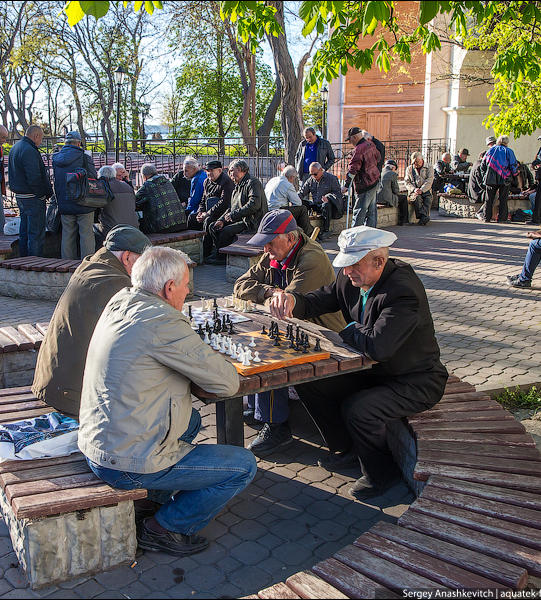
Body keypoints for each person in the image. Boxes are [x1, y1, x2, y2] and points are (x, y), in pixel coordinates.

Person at [79, 246, 257, 556]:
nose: (189, 291)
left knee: (191, 421)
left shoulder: (122, 300)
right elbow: (227, 383)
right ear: (168, 288)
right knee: (243, 466)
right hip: (122, 461)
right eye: (187, 284)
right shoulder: (162, 322)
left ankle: (149, 501)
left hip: (101, 441)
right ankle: (165, 528)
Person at [269, 226, 448, 500]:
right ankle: (346, 449)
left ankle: (381, 474)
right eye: (345, 264)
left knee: (359, 408)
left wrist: (349, 327)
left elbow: (379, 346)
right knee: (310, 381)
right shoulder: (350, 278)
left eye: (354, 264)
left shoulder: (403, 291)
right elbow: (321, 299)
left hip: (414, 380)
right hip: (373, 371)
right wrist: (293, 299)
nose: (348, 271)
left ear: (379, 261)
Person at [233, 210, 345, 455]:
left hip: (326, 336)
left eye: (270, 242)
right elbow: (240, 286)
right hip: (299, 328)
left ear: (291, 239)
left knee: (270, 353)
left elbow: (285, 309)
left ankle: (277, 426)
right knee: (254, 340)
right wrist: (270, 292)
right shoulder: (276, 252)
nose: (265, 250)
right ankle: (257, 407)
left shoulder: (311, 259)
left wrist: (270, 295)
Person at [32, 225, 151, 415]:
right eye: (143, 262)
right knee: (180, 418)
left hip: (54, 381)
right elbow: (140, 338)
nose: (145, 270)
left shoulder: (92, 264)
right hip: (72, 394)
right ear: (127, 257)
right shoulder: (115, 283)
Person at [203, 159, 265, 264]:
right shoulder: (238, 185)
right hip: (241, 218)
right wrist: (222, 220)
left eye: (232, 171)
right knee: (213, 226)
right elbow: (231, 206)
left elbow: (254, 204)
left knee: (226, 231)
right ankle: (220, 253)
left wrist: (233, 215)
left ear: (240, 169)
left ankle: (221, 257)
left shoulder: (252, 182)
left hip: (251, 222)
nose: (230, 174)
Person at [8, 125, 53, 257]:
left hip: (21, 196)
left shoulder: (16, 148)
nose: (41, 142)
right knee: (36, 234)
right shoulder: (29, 150)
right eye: (41, 138)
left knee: (25, 231)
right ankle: (35, 263)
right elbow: (34, 177)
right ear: (36, 136)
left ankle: (24, 260)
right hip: (32, 197)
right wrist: (42, 194)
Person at [52, 130, 98, 260]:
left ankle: (67, 263)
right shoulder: (84, 157)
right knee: (86, 234)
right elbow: (93, 177)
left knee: (67, 235)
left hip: (64, 202)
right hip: (83, 202)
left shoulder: (56, 158)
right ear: (79, 143)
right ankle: (87, 264)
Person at [342, 127, 381, 228]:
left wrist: (346, 185)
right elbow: (379, 157)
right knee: (371, 212)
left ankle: (354, 237)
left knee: (359, 212)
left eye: (350, 140)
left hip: (365, 184)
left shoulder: (359, 149)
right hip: (374, 181)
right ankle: (370, 235)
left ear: (354, 137)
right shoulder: (370, 144)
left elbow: (353, 169)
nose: (350, 142)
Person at [135, 163, 188, 235]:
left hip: (163, 227)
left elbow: (133, 201)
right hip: (181, 224)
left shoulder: (148, 185)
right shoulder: (167, 182)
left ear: (144, 176)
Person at [95, 165, 140, 247]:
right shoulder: (128, 187)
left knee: (91, 229)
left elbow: (96, 211)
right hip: (133, 228)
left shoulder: (103, 188)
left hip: (112, 230)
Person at [299, 161, 343, 239]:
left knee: (326, 205)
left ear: (321, 170)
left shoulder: (332, 179)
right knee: (300, 203)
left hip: (327, 206)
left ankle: (326, 230)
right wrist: (295, 199)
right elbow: (302, 192)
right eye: (311, 174)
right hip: (315, 204)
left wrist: (329, 198)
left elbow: (338, 194)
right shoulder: (310, 180)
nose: (313, 176)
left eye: (315, 174)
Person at [265, 165, 313, 237]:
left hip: (268, 210)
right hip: (279, 211)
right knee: (302, 209)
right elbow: (298, 203)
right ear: (292, 177)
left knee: (296, 210)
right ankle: (308, 233)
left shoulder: (272, 180)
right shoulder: (287, 184)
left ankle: (306, 231)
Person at [193, 160, 234, 238]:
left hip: (220, 212)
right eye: (208, 171)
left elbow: (224, 202)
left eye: (212, 171)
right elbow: (203, 199)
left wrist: (208, 213)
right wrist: (201, 212)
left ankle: (206, 248)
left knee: (208, 221)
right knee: (192, 218)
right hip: (208, 211)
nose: (209, 173)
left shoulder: (226, 181)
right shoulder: (206, 181)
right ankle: (195, 244)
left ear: (219, 171)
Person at [483, 135, 518, 223]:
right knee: (503, 199)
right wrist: (515, 175)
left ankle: (486, 217)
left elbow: (483, 164)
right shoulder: (509, 151)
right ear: (506, 143)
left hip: (491, 177)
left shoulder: (490, 150)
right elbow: (513, 165)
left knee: (489, 199)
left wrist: (485, 174)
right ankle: (502, 218)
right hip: (505, 178)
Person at [403, 151, 433, 226]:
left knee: (428, 199)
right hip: (414, 191)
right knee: (417, 198)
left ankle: (423, 217)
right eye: (414, 162)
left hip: (425, 190)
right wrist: (414, 189)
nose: (415, 164)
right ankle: (422, 217)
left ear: (421, 160)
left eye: (417, 162)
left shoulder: (429, 167)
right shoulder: (409, 169)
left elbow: (429, 181)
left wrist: (422, 190)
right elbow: (407, 182)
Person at [377, 159, 404, 224]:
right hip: (386, 199)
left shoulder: (380, 171)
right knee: (404, 199)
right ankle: (404, 220)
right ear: (393, 167)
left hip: (377, 198)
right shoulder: (392, 173)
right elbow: (396, 190)